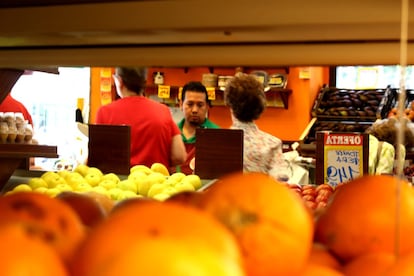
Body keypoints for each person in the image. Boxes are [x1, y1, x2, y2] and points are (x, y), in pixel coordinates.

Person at [95, 67, 186, 169]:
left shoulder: (104, 112)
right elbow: (179, 156)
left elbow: (96, 159)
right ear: (144, 82)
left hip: (118, 183)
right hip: (156, 182)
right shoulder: (163, 111)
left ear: (119, 81)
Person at [224, 73, 288, 180]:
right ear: (259, 106)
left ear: (229, 104)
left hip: (225, 196)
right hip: (260, 195)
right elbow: (282, 178)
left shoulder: (218, 143)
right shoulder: (272, 144)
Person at [172, 81, 219, 174]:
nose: (194, 110)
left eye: (200, 105)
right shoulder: (171, 133)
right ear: (181, 104)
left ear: (207, 106)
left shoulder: (217, 135)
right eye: (190, 104)